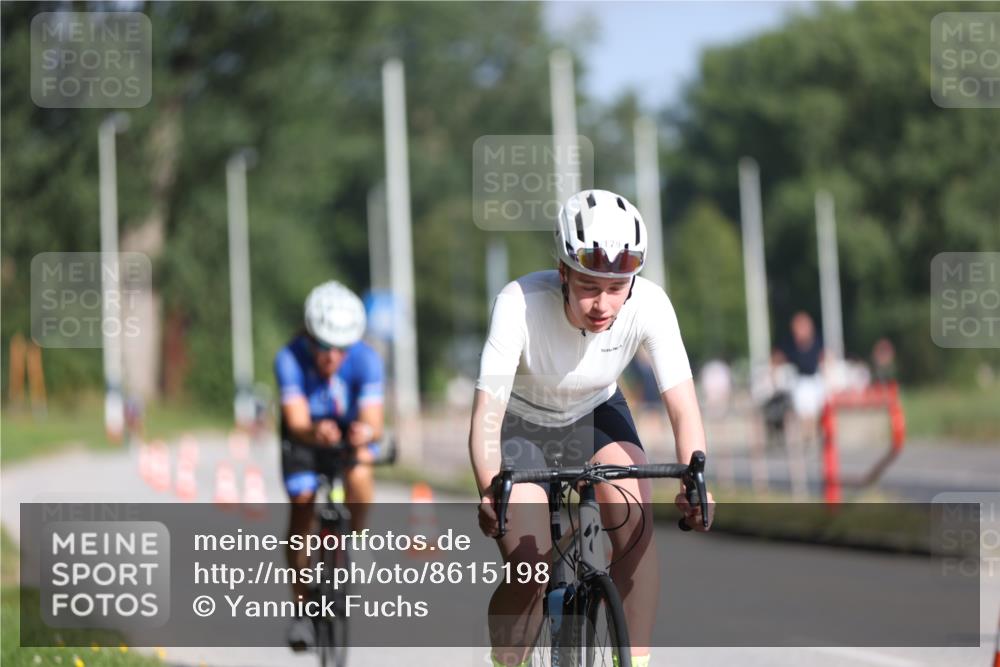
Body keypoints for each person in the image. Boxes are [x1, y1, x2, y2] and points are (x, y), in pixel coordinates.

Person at [469, 189, 714, 667]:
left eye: (617, 286)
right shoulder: (518, 303)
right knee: (529, 565)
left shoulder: (651, 304)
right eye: (588, 285)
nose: (603, 303)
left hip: (596, 413)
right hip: (524, 424)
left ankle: (634, 661)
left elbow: (684, 408)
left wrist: (695, 479)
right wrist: (488, 489)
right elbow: (486, 417)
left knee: (636, 531)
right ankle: (504, 659)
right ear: (562, 271)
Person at [273, 281, 384, 651]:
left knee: (361, 468)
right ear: (308, 334)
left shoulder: (367, 359)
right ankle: (303, 610)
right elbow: (296, 418)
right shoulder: (289, 358)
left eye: (342, 347)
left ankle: (357, 538)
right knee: (303, 501)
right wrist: (312, 430)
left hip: (347, 438)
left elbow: (374, 421)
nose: (332, 356)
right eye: (323, 345)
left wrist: (362, 431)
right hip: (304, 437)